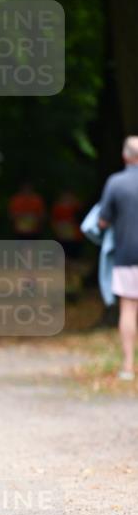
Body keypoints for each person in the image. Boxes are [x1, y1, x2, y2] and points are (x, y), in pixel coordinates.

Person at [98, 136, 138, 380]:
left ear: (125, 156)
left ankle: (127, 366)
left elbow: (102, 221)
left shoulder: (116, 183)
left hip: (126, 254)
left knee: (128, 309)